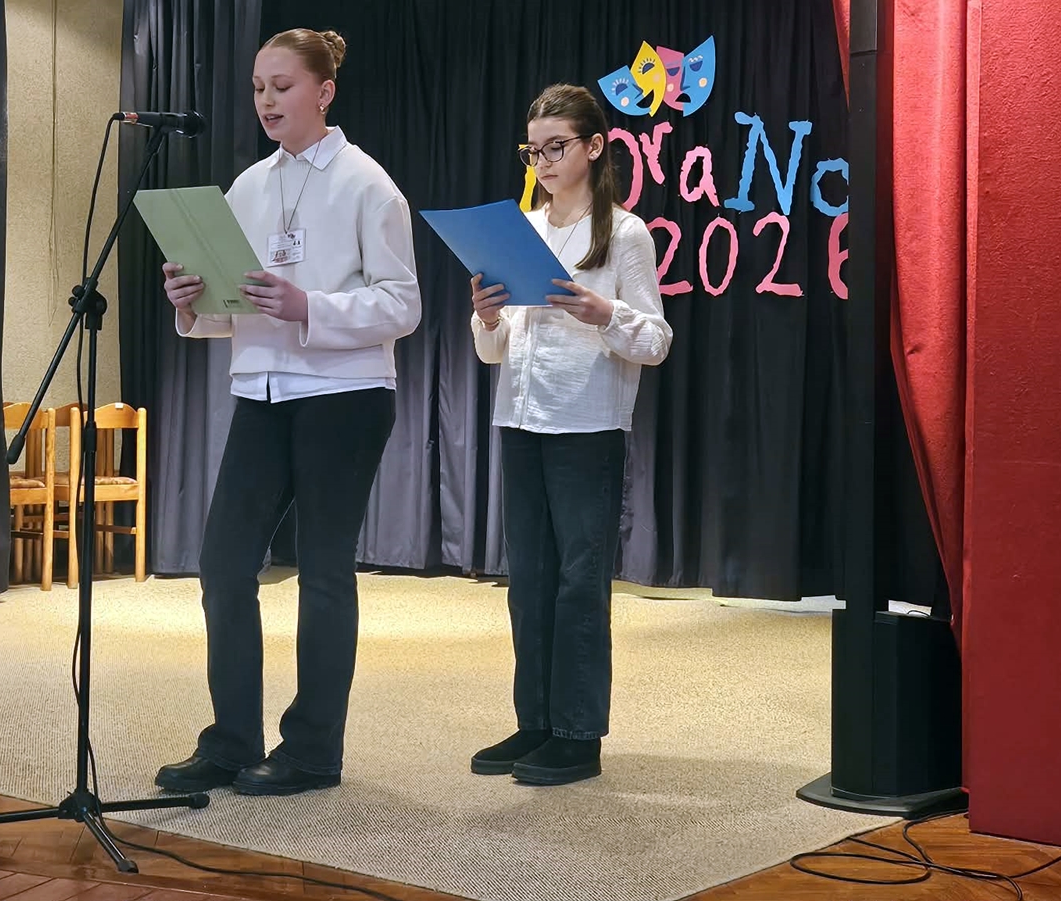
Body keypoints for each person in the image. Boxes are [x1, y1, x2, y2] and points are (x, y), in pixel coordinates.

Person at [154, 28, 421, 797]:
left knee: (324, 571)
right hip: (262, 391)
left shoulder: (369, 184)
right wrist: (191, 302)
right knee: (223, 563)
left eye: (282, 85)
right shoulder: (247, 186)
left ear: (324, 91)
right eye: (257, 88)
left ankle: (311, 751)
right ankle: (232, 739)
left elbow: (403, 305)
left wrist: (311, 306)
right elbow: (233, 306)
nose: (266, 100)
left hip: (345, 395)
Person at [467, 84, 673, 786]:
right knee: (527, 581)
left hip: (586, 424)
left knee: (578, 582)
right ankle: (535, 722)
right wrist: (486, 315)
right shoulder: (521, 228)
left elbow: (656, 341)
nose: (544, 161)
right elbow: (494, 350)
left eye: (556, 146)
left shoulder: (626, 233)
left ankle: (578, 734)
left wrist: (602, 312)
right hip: (519, 419)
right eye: (533, 150)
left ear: (594, 146)